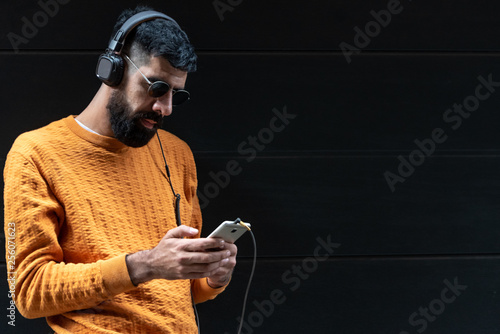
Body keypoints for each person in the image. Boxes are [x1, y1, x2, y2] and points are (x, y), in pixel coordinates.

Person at [3, 5, 237, 333]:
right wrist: (145, 264)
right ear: (112, 69)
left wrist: (214, 277)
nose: (165, 108)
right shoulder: (35, 154)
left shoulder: (177, 154)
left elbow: (182, 286)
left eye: (176, 95)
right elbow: (28, 293)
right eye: (156, 88)